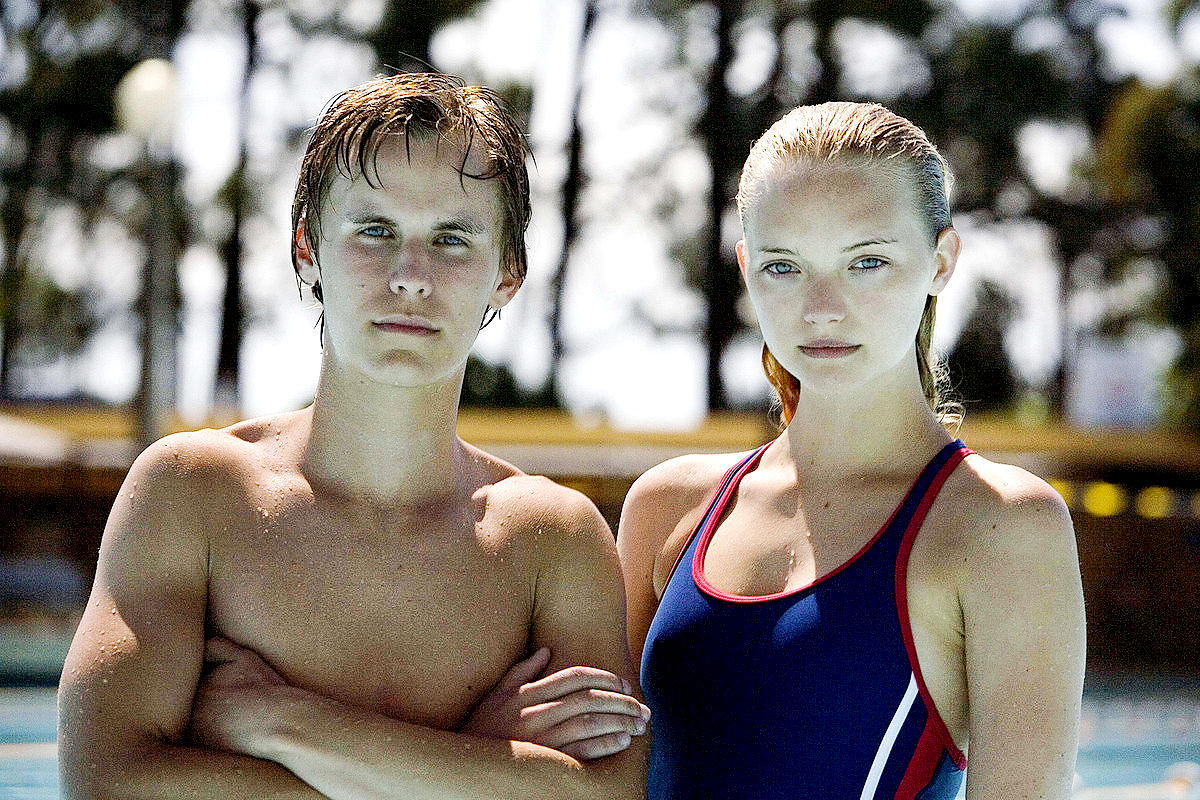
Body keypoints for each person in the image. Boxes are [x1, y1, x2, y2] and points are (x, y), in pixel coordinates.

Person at [58, 72, 649, 799]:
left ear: (508, 275)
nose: (410, 275)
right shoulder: (194, 494)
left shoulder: (550, 540)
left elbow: (605, 797)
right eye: (374, 230)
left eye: (453, 239)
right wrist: (468, 765)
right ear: (308, 249)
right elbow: (107, 783)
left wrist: (279, 721)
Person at [617, 101, 1085, 799]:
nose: (823, 308)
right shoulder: (668, 509)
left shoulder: (998, 528)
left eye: (866, 261)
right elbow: (593, 777)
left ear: (941, 260)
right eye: (785, 267)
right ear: (747, 268)